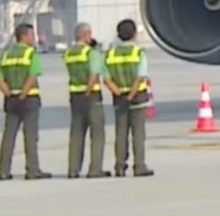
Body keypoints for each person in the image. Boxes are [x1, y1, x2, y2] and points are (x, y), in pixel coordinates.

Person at [0, 22, 49, 180]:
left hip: (11, 99)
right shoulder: (31, 54)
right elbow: (32, 77)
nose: (34, 38)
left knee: (9, 135)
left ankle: (4, 170)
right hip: (29, 99)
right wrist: (23, 94)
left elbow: (0, 79)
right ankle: (32, 169)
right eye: (32, 35)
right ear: (24, 36)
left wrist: (10, 94)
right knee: (30, 136)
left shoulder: (6, 55)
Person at [104, 19, 154, 177]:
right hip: (137, 97)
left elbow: (106, 78)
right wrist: (131, 95)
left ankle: (119, 165)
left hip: (119, 98)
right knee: (138, 133)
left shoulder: (110, 54)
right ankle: (139, 165)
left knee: (121, 133)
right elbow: (140, 77)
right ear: (134, 34)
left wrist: (119, 93)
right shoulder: (138, 53)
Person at [63, 23, 108, 179]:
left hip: (74, 95)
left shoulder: (68, 54)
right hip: (91, 95)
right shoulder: (91, 53)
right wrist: (88, 91)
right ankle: (95, 168)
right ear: (86, 34)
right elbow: (94, 74)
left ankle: (73, 169)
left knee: (76, 133)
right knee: (97, 134)